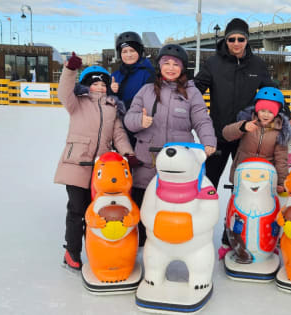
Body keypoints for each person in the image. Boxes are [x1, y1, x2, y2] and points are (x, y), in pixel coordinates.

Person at [124, 44, 217, 246]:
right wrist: (140, 121)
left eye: (176, 64)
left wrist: (209, 141)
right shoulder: (147, 90)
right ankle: (142, 247)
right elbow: (129, 119)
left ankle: (173, 242)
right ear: (159, 66)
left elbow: (202, 120)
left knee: (176, 204)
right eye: (166, 63)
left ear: (183, 68)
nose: (171, 67)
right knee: (144, 205)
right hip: (147, 159)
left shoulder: (192, 93)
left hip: (179, 163)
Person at [54, 52, 135, 271]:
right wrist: (70, 70)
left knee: (99, 211)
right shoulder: (76, 103)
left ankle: (97, 247)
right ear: (87, 85)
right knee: (77, 210)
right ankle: (71, 251)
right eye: (94, 83)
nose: (99, 87)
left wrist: (127, 154)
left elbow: (118, 134)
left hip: (102, 167)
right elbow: (63, 91)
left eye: (103, 84)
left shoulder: (112, 108)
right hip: (77, 163)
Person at [194, 17, 291, 190]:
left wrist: (286, 115)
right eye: (232, 39)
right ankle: (206, 214)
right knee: (208, 182)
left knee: (248, 183)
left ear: (247, 40)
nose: (236, 43)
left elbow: (272, 92)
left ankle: (238, 216)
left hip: (247, 135)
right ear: (226, 40)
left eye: (241, 39)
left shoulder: (257, 65)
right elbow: (195, 91)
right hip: (219, 133)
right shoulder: (213, 63)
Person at [222, 87, 291, 191]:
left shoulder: (279, 132)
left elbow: (281, 160)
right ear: (256, 110)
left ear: (276, 113)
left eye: (270, 112)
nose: (266, 115)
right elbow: (226, 134)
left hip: (265, 178)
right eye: (262, 110)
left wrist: (282, 183)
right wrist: (242, 127)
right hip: (243, 175)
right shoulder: (247, 122)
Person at [111, 31, 155, 148]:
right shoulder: (116, 74)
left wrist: (123, 105)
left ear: (139, 52)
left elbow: (148, 99)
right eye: (124, 51)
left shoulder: (148, 73)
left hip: (141, 126)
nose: (128, 55)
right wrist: (111, 91)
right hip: (119, 128)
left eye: (132, 51)